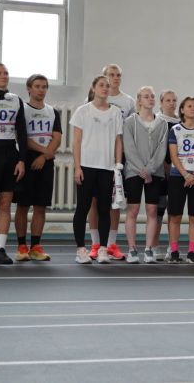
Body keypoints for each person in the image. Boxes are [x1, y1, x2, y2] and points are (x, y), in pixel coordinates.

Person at [70, 75, 123, 264]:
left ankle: (103, 249)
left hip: (106, 168)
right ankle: (81, 250)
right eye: (101, 85)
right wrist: (77, 167)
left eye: (107, 86)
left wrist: (118, 166)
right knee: (83, 208)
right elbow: (76, 141)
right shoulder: (83, 111)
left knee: (104, 209)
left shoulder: (115, 112)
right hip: (86, 166)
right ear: (93, 88)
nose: (105, 88)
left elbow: (118, 140)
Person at [88, 64, 135, 261]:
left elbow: (131, 130)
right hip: (95, 156)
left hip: (118, 156)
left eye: (118, 75)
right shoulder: (92, 100)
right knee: (94, 201)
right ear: (103, 77)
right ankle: (95, 244)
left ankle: (111, 244)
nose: (115, 78)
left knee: (116, 200)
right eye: (111, 75)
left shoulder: (128, 101)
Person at [13, 74, 61, 262]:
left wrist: (45, 156)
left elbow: (57, 137)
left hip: (45, 161)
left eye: (44, 86)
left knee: (41, 206)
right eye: (37, 86)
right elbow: (22, 137)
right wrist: (45, 152)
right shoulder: (22, 110)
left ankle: (35, 246)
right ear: (29, 88)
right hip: (26, 159)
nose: (41, 90)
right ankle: (21, 246)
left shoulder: (53, 111)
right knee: (23, 205)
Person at [122, 86, 168, 263]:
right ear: (139, 100)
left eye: (152, 96)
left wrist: (149, 169)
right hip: (134, 171)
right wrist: (141, 169)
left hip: (154, 173)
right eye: (146, 96)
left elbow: (161, 149)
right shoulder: (130, 122)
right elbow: (129, 148)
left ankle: (149, 249)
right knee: (132, 210)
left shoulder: (162, 124)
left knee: (152, 210)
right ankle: (132, 249)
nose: (150, 99)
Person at [0, 63, 27, 265]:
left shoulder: (16, 100)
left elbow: (22, 132)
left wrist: (22, 160)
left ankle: (0, 249)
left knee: (5, 204)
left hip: (10, 155)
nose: (3, 76)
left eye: (6, 73)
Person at [166, 97, 194, 263]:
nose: (193, 108)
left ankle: (192, 252)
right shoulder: (175, 130)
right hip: (178, 176)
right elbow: (173, 155)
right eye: (189, 106)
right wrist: (185, 174)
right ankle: (174, 252)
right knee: (175, 216)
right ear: (182, 110)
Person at [154, 89, 180, 260]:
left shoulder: (180, 123)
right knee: (158, 210)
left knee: (174, 211)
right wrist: (163, 165)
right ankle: (154, 246)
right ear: (161, 102)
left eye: (174, 100)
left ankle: (173, 247)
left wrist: (176, 168)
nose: (171, 103)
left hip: (177, 173)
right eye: (168, 100)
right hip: (160, 173)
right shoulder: (156, 121)